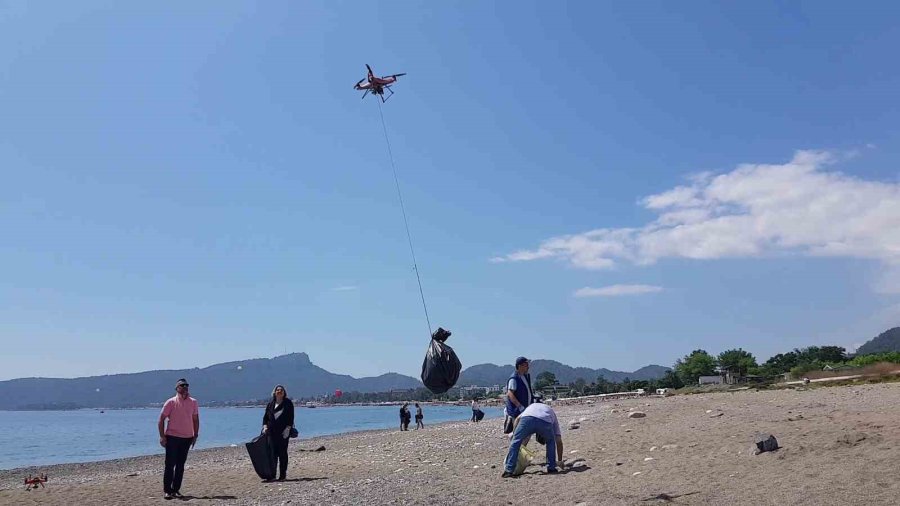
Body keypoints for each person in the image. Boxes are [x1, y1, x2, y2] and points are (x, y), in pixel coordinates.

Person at [158, 378, 200, 500]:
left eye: (186, 386)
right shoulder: (170, 402)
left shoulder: (193, 402)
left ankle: (176, 489)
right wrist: (162, 436)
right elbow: (161, 420)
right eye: (182, 386)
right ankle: (167, 491)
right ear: (177, 388)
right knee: (170, 465)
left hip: (187, 438)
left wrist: (195, 435)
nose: (185, 388)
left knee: (180, 465)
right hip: (172, 437)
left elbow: (196, 420)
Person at [502, 400, 563, 478]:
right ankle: (551, 468)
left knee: (516, 442)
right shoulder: (551, 411)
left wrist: (515, 434)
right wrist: (560, 461)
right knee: (550, 442)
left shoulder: (531, 406)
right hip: (545, 421)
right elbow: (558, 441)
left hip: (527, 419)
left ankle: (509, 470)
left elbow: (517, 419)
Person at [262, 384, 295, 482]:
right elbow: (265, 418)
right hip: (271, 433)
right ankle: (272, 475)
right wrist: (265, 427)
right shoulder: (270, 404)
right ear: (274, 392)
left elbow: (291, 417)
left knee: (283, 454)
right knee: (272, 455)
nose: (279, 391)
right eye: (277, 390)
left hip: (283, 433)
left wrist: (288, 429)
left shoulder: (288, 403)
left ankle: (282, 475)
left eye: (281, 390)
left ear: (284, 392)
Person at [504, 357, 533, 434]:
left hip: (525, 409)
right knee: (518, 432)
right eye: (526, 365)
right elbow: (510, 393)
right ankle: (516, 445)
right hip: (517, 411)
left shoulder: (525, 376)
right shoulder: (514, 378)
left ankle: (520, 445)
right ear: (520, 366)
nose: (528, 366)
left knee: (526, 432)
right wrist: (519, 406)